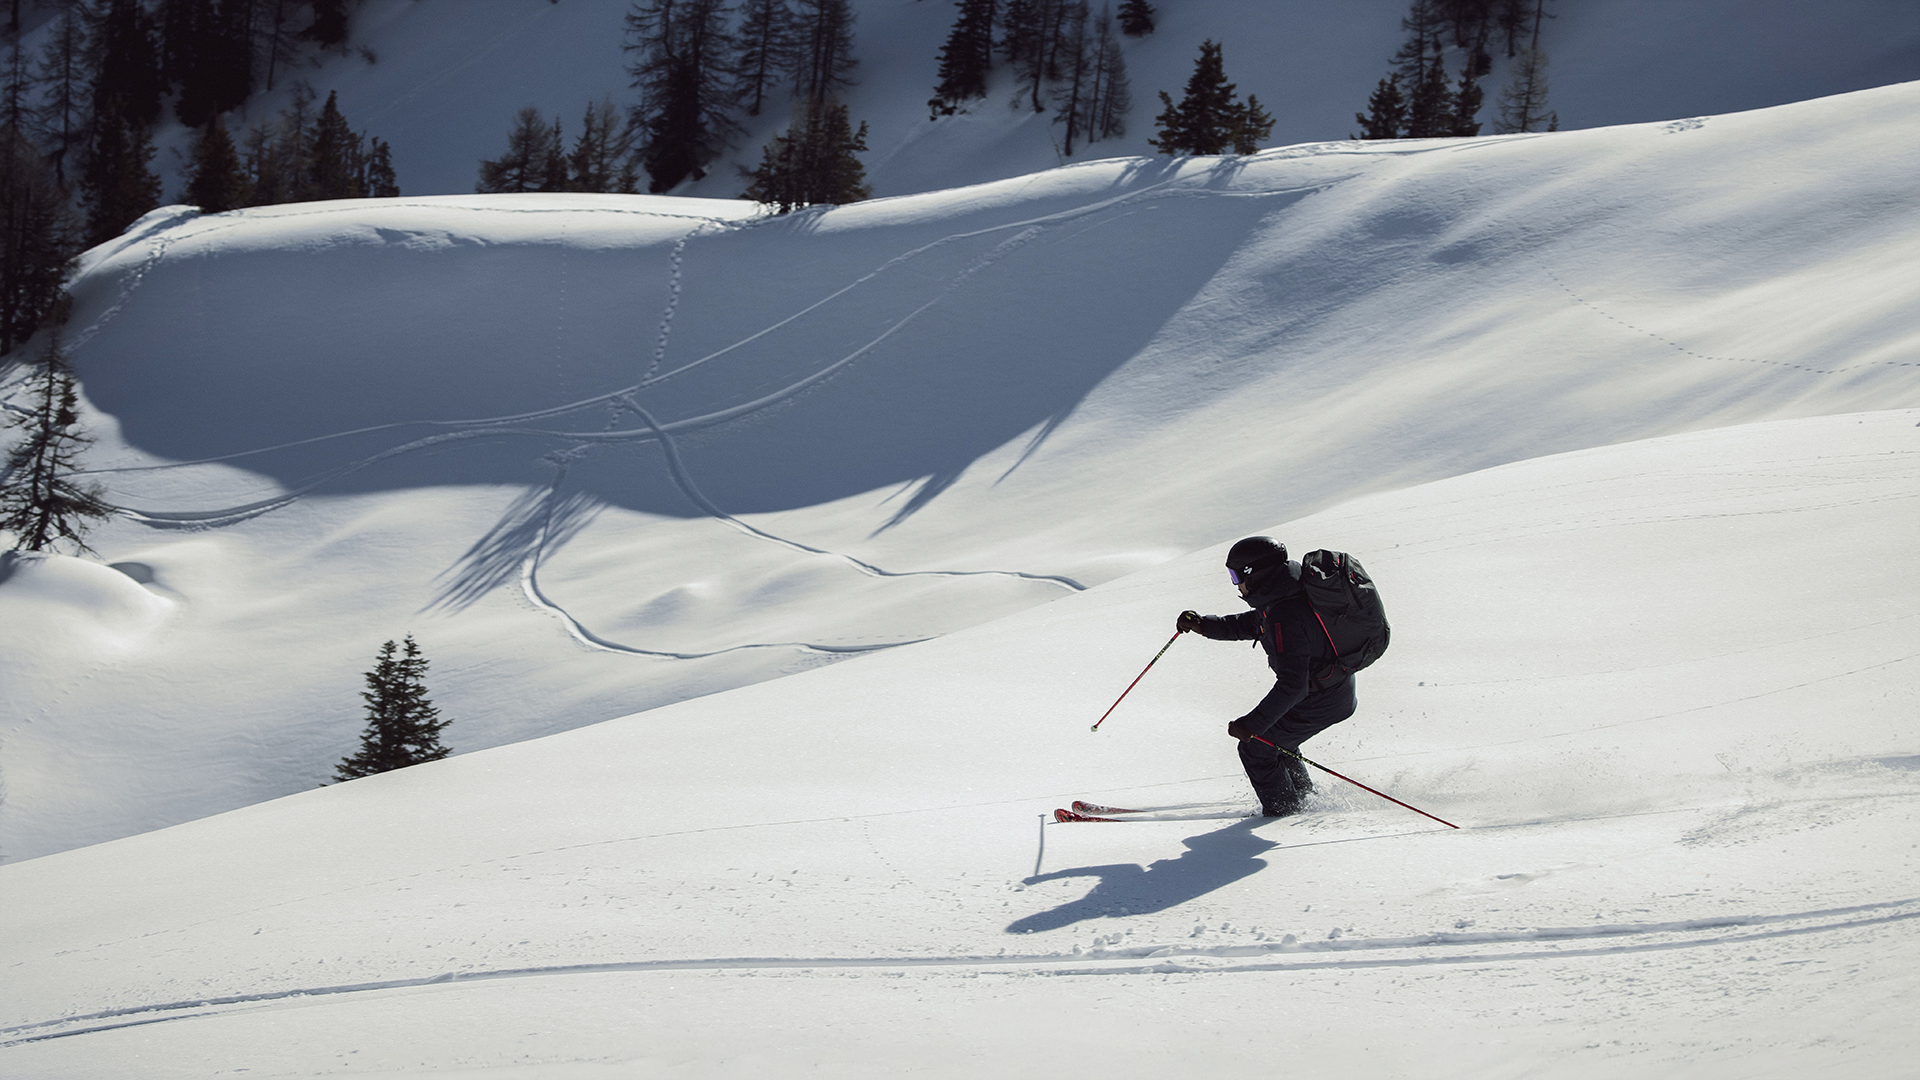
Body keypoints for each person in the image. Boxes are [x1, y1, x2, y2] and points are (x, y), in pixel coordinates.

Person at [1176, 536, 1356, 817]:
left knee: (1256, 748)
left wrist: (1252, 724)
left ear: (1254, 573)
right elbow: (1253, 624)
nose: (1235, 583)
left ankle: (1284, 813)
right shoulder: (1283, 597)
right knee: (1276, 741)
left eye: (1236, 575)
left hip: (1321, 697)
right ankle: (1302, 798)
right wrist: (1204, 625)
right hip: (1327, 689)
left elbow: (1292, 686)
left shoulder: (1286, 612)